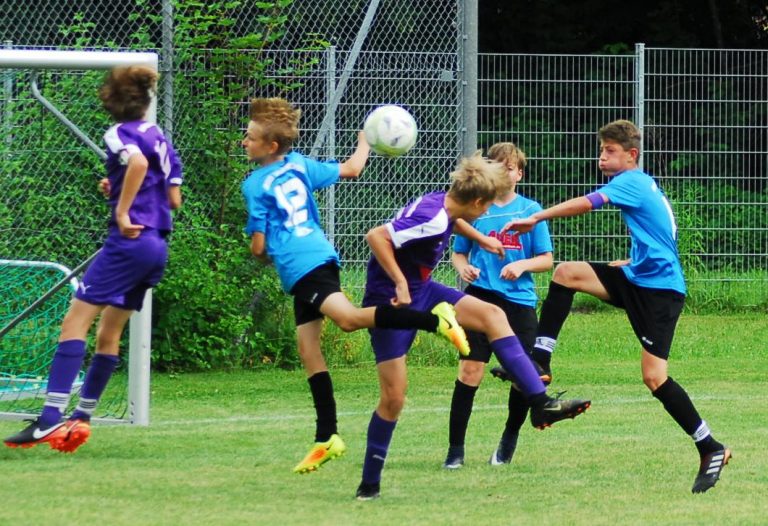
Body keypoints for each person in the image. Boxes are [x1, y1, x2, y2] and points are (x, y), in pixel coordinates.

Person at [241, 97, 470, 475]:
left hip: (302, 266)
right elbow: (352, 168)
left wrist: (264, 251)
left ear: (271, 146)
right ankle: (326, 436)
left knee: (347, 319)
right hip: (320, 257)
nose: (243, 142)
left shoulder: (254, 185)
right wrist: (366, 137)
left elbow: (259, 247)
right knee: (308, 349)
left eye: (249, 138)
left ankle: (434, 321)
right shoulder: (298, 165)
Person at [501, 119, 730, 494]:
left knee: (654, 377)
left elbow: (587, 204)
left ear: (631, 155)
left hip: (660, 293)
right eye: (601, 150)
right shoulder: (641, 185)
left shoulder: (631, 181)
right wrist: (634, 260)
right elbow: (662, 234)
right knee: (567, 273)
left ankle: (710, 447)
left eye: (609, 151)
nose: (601, 157)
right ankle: (540, 360)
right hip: (639, 278)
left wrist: (538, 216)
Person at [355, 153, 591, 501]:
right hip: (391, 303)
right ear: (478, 201)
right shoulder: (434, 218)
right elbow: (376, 236)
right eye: (487, 207)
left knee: (492, 316)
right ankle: (369, 485)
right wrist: (399, 284)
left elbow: (456, 221)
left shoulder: (444, 203)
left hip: (425, 290)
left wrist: (482, 240)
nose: (487, 214)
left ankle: (540, 403)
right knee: (393, 398)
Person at [4, 65, 183, 452]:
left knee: (74, 323)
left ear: (110, 103)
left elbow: (135, 164)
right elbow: (172, 198)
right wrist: (117, 187)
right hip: (156, 247)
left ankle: (50, 418)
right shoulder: (159, 136)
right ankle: (81, 419)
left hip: (127, 242)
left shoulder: (118, 133)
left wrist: (121, 210)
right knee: (109, 333)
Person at [443, 143, 553, 470]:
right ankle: (455, 451)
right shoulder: (478, 210)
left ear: (519, 173)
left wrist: (522, 266)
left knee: (524, 376)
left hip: (518, 304)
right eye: (497, 165)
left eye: (510, 167)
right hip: (480, 298)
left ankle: (508, 440)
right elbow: (458, 252)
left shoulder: (530, 211)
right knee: (470, 370)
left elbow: (546, 260)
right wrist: (462, 267)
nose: (503, 172)